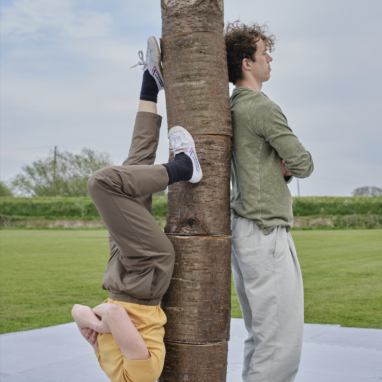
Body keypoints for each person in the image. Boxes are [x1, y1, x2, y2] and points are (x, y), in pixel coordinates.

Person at [71, 36, 202, 382]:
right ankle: (183, 169)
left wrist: (96, 321)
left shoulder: (112, 373)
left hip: (120, 276)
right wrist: (98, 321)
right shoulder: (139, 379)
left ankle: (150, 84)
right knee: (103, 183)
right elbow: (101, 318)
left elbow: (79, 313)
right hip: (147, 273)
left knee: (132, 169)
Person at [224, 21, 314, 382]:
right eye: (264, 53)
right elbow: (304, 163)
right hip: (265, 230)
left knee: (261, 337)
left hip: (245, 230)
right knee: (280, 344)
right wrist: (289, 168)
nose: (270, 58)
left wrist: (282, 169)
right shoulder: (261, 107)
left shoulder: (234, 107)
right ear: (247, 63)